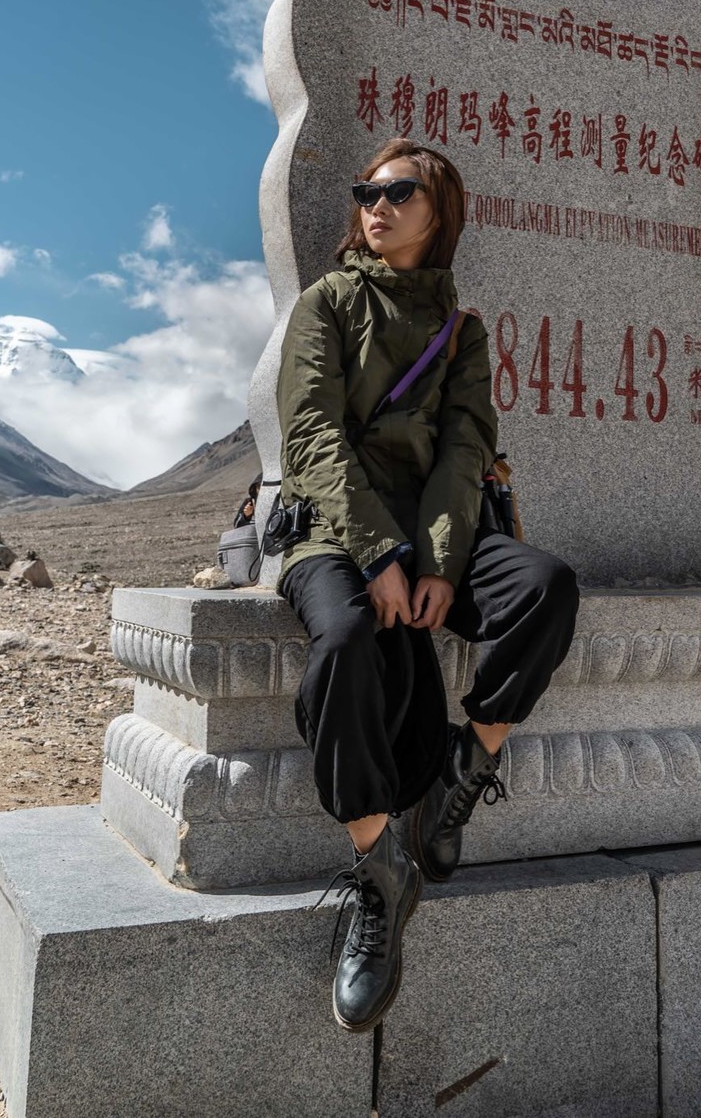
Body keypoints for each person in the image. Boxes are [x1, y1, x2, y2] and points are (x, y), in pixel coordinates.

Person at [275, 136, 580, 1033]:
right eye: (367, 189)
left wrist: (440, 563)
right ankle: (379, 869)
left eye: (398, 191)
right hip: (334, 532)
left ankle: (465, 763)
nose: (376, 203)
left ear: (438, 213)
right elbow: (312, 441)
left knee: (546, 587)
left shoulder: (463, 330)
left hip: (434, 532)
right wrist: (378, 556)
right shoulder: (326, 303)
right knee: (345, 641)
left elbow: (464, 452)